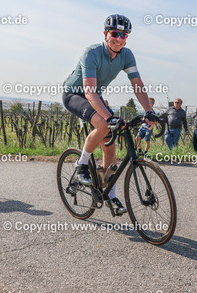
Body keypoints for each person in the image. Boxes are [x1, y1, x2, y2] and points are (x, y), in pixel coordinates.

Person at [62, 14, 158, 215]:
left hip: (95, 96)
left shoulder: (127, 55)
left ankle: (111, 196)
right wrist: (108, 117)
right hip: (75, 94)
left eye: (124, 35)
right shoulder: (91, 53)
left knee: (110, 146)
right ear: (106, 34)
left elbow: (137, 84)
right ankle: (82, 165)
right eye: (115, 34)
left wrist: (149, 111)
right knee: (104, 124)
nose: (119, 39)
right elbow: (89, 92)